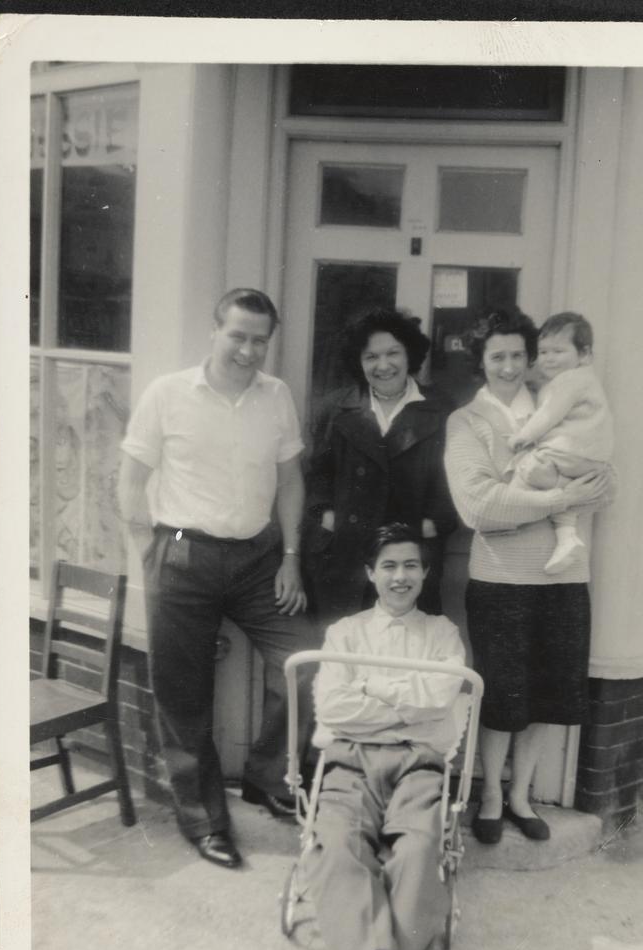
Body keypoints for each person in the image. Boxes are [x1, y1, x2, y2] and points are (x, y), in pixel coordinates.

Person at [118, 288, 314, 869]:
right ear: (215, 330)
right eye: (238, 336)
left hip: (258, 559)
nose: (248, 350)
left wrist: (291, 557)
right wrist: (149, 554)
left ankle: (267, 777)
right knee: (183, 695)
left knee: (308, 668)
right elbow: (130, 480)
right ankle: (204, 820)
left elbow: (290, 482)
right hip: (182, 557)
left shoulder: (276, 396)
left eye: (259, 340)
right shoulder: (168, 393)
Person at [444, 307, 616, 846]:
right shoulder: (467, 422)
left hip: (564, 578)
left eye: (519, 355)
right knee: (502, 697)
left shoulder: (558, 403)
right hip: (501, 578)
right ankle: (491, 796)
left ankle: (521, 796)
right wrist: (561, 498)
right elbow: (479, 507)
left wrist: (535, 499)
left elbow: (605, 485)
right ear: (481, 362)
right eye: (498, 356)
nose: (510, 366)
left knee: (544, 696)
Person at [306, 523, 466, 950]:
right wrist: (406, 701)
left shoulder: (442, 634)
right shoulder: (344, 633)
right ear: (370, 574)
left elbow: (442, 699)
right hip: (350, 760)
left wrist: (373, 690)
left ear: (425, 573)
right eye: (390, 566)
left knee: (420, 850)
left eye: (411, 565)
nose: (401, 576)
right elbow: (333, 708)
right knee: (338, 842)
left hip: (420, 762)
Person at [305, 307, 458, 624]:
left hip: (410, 558)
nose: (383, 365)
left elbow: (455, 480)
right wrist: (329, 517)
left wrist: (432, 524)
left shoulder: (442, 409)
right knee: (346, 643)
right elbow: (318, 475)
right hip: (347, 556)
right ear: (358, 361)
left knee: (408, 644)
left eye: (393, 353)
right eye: (371, 357)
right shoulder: (335, 408)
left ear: (409, 354)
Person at [506, 311, 614, 574]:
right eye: (543, 352)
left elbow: (548, 415)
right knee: (565, 504)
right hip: (591, 459)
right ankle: (567, 539)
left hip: (568, 450)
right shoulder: (585, 380)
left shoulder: (569, 380)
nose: (549, 358)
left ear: (584, 354)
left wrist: (522, 436)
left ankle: (512, 514)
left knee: (526, 468)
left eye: (558, 351)